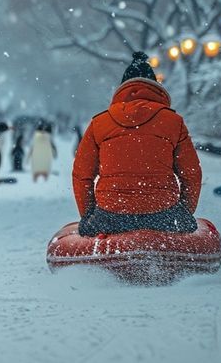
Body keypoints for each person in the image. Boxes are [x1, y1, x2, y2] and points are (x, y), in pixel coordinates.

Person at [72, 52, 202, 237]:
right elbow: (191, 174)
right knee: (189, 225)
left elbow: (82, 175)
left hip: (111, 215)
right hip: (164, 213)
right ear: (156, 87)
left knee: (87, 229)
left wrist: (88, 216)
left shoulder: (99, 123)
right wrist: (184, 211)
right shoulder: (173, 122)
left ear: (121, 88)